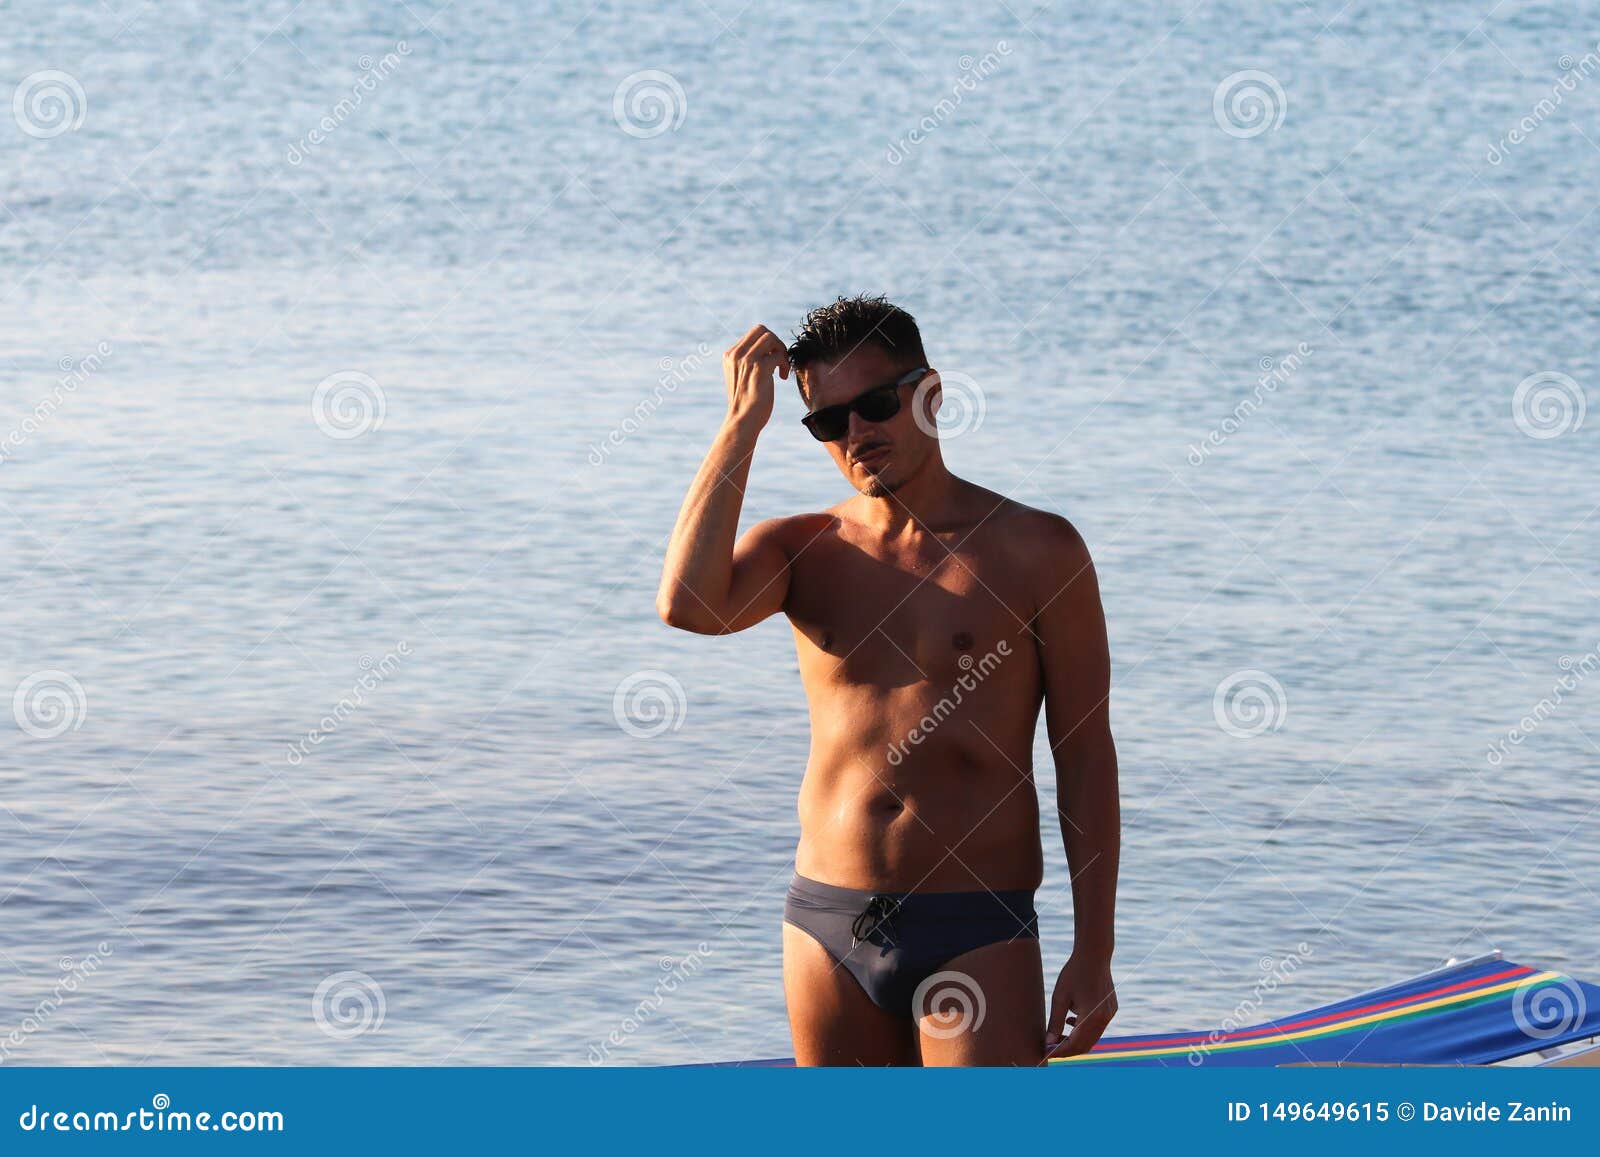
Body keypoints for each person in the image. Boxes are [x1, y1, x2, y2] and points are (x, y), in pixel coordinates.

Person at [656, 294, 1119, 1065]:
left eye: (875, 405)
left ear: (930, 394)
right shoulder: (803, 550)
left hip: (975, 922)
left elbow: (1084, 755)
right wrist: (742, 425)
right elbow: (687, 604)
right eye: (829, 422)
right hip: (824, 919)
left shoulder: (1038, 550)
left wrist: (1094, 950)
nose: (857, 434)